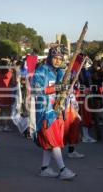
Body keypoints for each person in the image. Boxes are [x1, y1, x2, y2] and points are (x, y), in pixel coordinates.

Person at [32, 45, 76, 180]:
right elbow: (36, 90)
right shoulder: (41, 70)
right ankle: (63, 170)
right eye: (55, 58)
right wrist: (56, 88)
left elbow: (64, 89)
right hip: (45, 112)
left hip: (56, 110)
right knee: (54, 141)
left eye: (60, 58)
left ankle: (44, 169)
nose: (57, 61)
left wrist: (68, 86)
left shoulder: (60, 72)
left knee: (49, 143)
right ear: (50, 57)